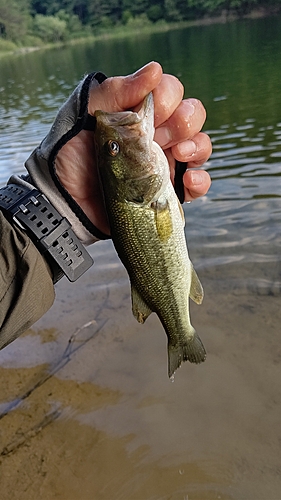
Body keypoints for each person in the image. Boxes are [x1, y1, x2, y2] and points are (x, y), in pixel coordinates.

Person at [0, 61, 212, 350]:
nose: (115, 135)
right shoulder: (141, 188)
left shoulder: (142, 189)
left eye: (112, 148)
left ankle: (180, 334)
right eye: (113, 148)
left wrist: (54, 200)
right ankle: (181, 335)